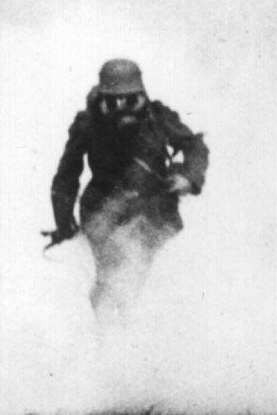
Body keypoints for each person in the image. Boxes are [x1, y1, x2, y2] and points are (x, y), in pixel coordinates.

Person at [47, 58, 209, 318]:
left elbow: (195, 146)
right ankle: (107, 335)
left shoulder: (157, 117)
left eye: (131, 100)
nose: (122, 109)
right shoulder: (88, 124)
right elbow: (66, 178)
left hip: (154, 211)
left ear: (142, 96)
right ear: (100, 98)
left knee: (147, 279)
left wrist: (189, 178)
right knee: (111, 278)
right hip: (104, 213)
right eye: (112, 102)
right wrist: (64, 223)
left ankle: (138, 331)